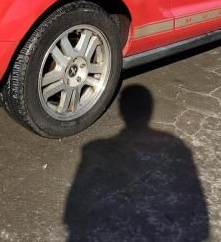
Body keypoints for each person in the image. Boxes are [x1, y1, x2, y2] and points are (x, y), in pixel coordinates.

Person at [64, 85, 209, 241]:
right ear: (150, 111)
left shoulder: (95, 148)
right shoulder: (174, 146)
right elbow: (192, 204)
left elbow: (74, 209)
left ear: (120, 112)